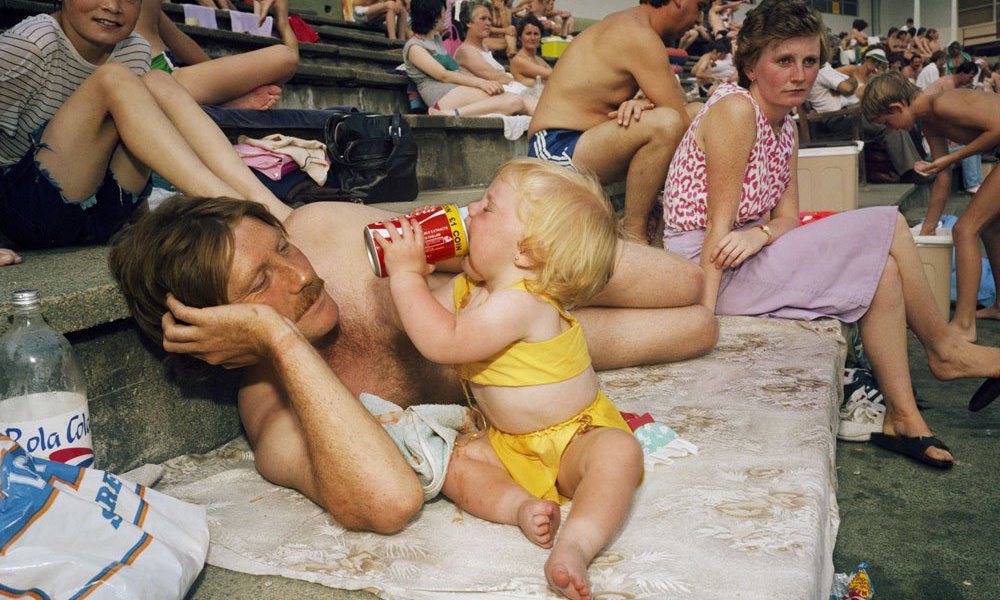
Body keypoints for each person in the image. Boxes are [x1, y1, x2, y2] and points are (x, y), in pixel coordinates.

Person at [108, 192, 718, 532]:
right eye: (261, 282)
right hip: (524, 379)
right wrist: (279, 339)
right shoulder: (273, 410)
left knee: (685, 283)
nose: (301, 274)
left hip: (521, 301)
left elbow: (463, 239)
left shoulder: (323, 230)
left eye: (283, 248)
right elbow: (388, 500)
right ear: (213, 324)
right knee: (698, 328)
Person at [661, 0, 1000, 469]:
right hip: (706, 262)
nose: (800, 74)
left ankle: (904, 417)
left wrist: (761, 235)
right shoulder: (737, 112)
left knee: (881, 269)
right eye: (784, 61)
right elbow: (718, 232)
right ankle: (944, 351)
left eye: (809, 61)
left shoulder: (785, 126)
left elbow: (786, 218)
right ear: (751, 67)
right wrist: (703, 322)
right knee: (888, 223)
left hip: (749, 250)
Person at [376, 159, 642, 600]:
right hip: (507, 441)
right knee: (453, 464)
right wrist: (410, 281)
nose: (471, 209)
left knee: (619, 452)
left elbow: (442, 341)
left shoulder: (524, 303)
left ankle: (576, 544)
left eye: (488, 207)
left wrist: (406, 277)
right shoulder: (472, 287)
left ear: (526, 253)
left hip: (574, 437)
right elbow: (417, 322)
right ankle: (519, 506)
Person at [0, 0, 290, 254]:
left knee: (158, 81)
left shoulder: (134, 48)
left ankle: (267, 205)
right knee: (111, 78)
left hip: (101, 212)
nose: (113, 6)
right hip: (28, 214)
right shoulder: (31, 44)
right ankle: (233, 206)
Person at [527, 0, 705, 241]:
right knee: (667, 123)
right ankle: (634, 232)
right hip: (554, 148)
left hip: (585, 142)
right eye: (700, 6)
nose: (699, 20)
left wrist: (644, 102)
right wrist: (650, 104)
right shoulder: (638, 34)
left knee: (697, 113)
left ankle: (669, 211)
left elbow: (684, 108)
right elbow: (679, 117)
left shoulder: (631, 24)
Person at [862, 71, 1000, 343]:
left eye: (886, 122)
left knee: (964, 230)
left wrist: (954, 156)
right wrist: (927, 229)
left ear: (897, 107)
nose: (891, 128)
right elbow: (943, 177)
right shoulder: (929, 122)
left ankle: (963, 324)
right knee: (990, 229)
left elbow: (997, 128)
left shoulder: (941, 103)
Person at [134, 0, 299, 110]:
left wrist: (220, 86)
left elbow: (178, 39)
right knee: (285, 57)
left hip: (166, 75)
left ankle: (221, 104)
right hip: (158, 78)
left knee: (284, 58)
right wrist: (283, 23)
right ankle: (223, 106)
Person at [404, 0, 534, 116]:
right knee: (515, 101)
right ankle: (448, 114)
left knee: (526, 101)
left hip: (455, 90)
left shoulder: (436, 40)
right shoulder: (414, 47)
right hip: (442, 97)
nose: (445, 16)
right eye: (443, 12)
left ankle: (551, 123)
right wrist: (481, 83)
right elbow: (443, 75)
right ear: (434, 16)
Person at [455, 0, 539, 107]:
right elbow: (495, 76)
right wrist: (526, 87)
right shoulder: (465, 52)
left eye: (489, 19)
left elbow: (510, 35)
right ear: (469, 22)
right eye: (483, 19)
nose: (488, 23)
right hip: (485, 101)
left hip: (501, 94)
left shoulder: (484, 45)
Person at [510, 15, 552, 88]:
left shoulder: (541, 61)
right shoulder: (518, 60)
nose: (532, 38)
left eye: (536, 34)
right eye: (528, 34)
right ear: (520, 37)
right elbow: (552, 75)